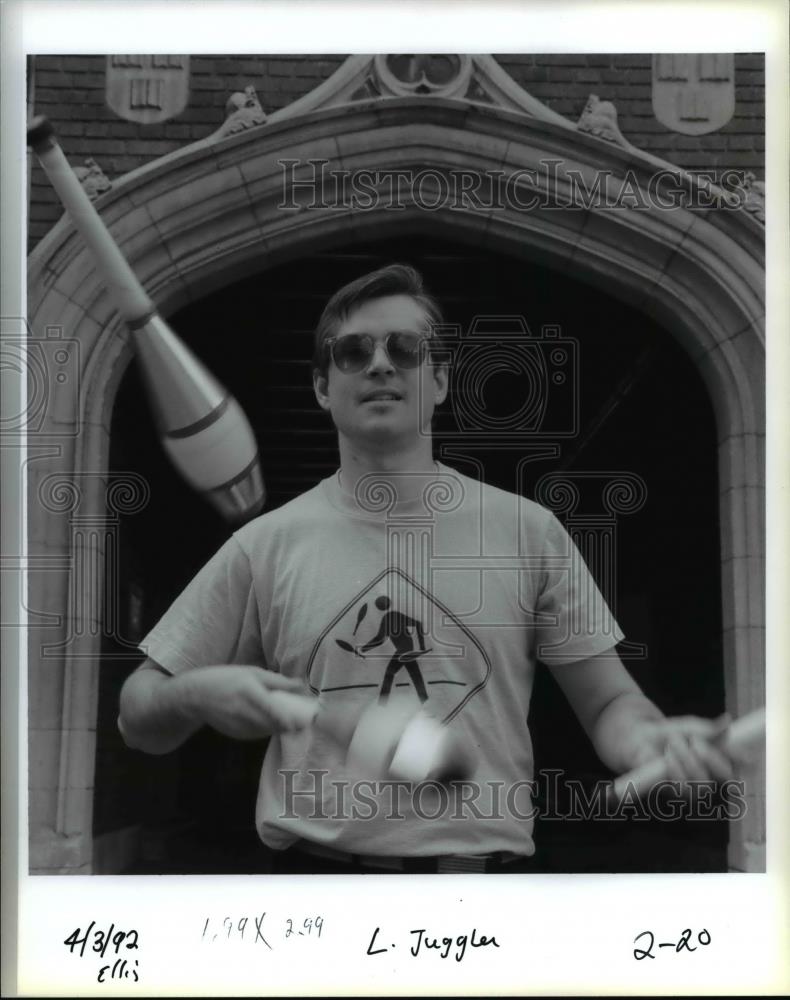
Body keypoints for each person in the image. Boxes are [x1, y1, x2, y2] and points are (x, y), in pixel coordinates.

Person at [119, 263, 734, 874]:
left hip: (483, 896)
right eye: (353, 351)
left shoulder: (529, 531)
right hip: (315, 891)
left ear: (439, 380)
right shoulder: (263, 545)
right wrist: (198, 693)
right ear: (321, 387)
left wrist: (649, 740)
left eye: (407, 349)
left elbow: (608, 705)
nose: (381, 364)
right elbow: (138, 716)